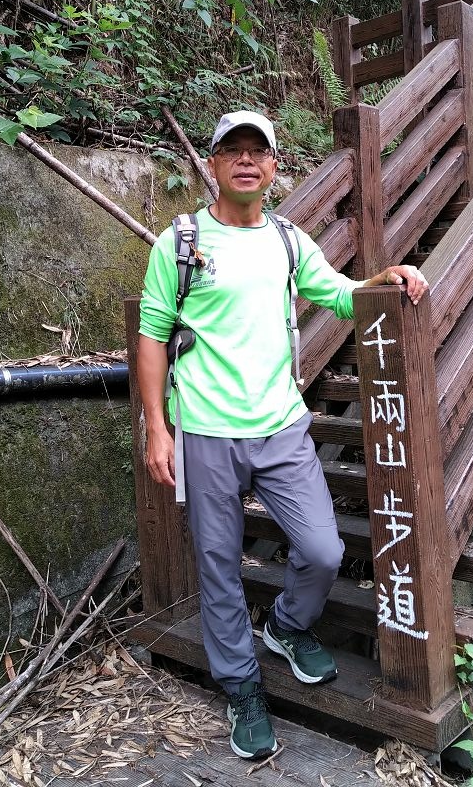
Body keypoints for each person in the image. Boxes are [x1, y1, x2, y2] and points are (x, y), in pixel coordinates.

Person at [137, 110, 427, 760]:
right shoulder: (179, 244)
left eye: (257, 151)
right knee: (217, 565)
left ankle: (286, 627)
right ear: (211, 166)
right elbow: (152, 334)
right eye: (231, 150)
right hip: (206, 430)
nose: (245, 160)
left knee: (322, 549)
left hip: (281, 425)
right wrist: (158, 427)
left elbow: (344, 296)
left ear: (273, 168)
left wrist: (385, 281)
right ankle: (241, 688)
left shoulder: (289, 240)